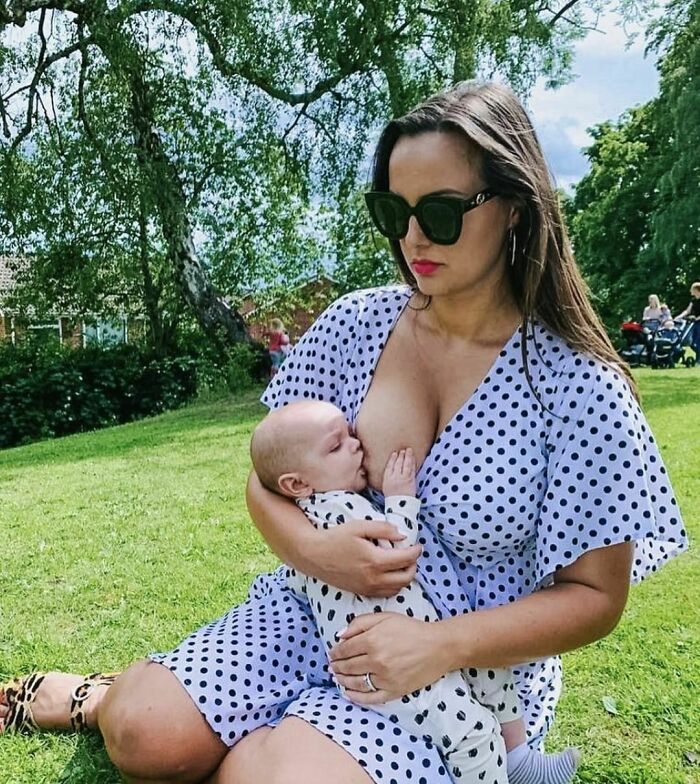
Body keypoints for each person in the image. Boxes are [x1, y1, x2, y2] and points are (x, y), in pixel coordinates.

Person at [0, 81, 688, 784]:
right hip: (313, 608)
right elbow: (268, 475)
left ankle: (272, 747)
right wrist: (313, 549)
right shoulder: (355, 324)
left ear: (514, 208)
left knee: (269, 777)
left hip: (463, 673)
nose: (413, 237)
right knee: (143, 734)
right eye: (393, 211)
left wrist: (437, 644)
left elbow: (596, 598)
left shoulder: (579, 385)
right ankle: (104, 698)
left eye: (442, 213)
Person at [249, 399, 579, 784]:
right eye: (337, 446)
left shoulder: (305, 524)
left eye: (351, 435)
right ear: (298, 483)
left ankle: (519, 761)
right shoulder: (338, 510)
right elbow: (395, 556)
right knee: (472, 733)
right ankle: (506, 763)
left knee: (489, 666)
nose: (356, 445)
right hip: (398, 671)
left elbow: (300, 576)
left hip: (414, 642)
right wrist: (400, 497)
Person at [676, 282, 700, 365]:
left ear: (696, 290)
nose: (690, 291)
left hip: (699, 322)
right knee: (692, 342)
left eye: (692, 289)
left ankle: (698, 360)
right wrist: (679, 317)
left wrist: (697, 318)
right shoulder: (693, 300)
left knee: (698, 341)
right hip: (694, 323)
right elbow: (687, 311)